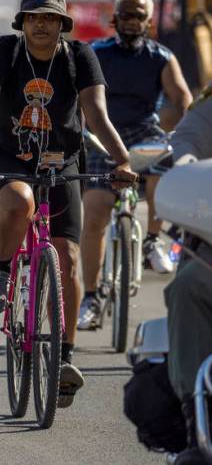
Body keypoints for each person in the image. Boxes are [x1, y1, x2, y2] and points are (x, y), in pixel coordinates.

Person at [0, 0, 136, 408]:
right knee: (19, 202)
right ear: (23, 22)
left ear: (62, 24)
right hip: (7, 155)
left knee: (68, 255)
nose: (41, 24)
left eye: (50, 18)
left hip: (62, 160)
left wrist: (122, 160)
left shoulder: (80, 57)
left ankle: (63, 357)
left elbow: (96, 114)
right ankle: (1, 271)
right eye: (34, 17)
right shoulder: (5, 51)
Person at [77, 0, 193, 331]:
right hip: (103, 136)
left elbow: (183, 99)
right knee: (96, 213)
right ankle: (92, 296)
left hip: (145, 133)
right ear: (114, 19)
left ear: (149, 21)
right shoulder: (95, 53)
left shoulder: (162, 57)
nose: (131, 21)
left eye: (137, 16)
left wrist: (186, 131)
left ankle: (153, 240)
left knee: (162, 167)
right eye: (125, 15)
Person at [164, 86, 212, 463]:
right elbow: (187, 138)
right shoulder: (209, 108)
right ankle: (193, 424)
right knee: (188, 285)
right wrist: (186, 164)